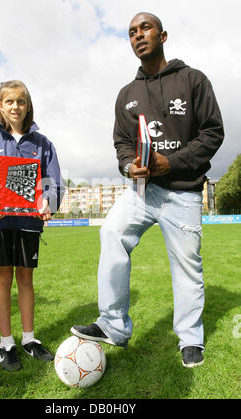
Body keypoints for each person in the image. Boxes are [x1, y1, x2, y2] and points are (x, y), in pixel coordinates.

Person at [71, 12, 224, 367]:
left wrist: (172, 163)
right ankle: (113, 325)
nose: (138, 35)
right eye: (131, 32)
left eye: (145, 28)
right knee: (111, 230)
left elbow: (213, 133)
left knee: (187, 266)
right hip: (143, 191)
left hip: (183, 192)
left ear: (163, 35)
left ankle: (190, 339)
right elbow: (122, 144)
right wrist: (129, 166)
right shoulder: (127, 94)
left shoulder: (193, 80)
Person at [0, 80, 64, 372]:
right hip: (1, 223)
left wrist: (48, 202)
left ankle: (29, 339)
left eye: (21, 101)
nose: (16, 107)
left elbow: (52, 181)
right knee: (4, 276)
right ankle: (7, 343)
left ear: (28, 105)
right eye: (9, 102)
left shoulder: (43, 144)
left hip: (29, 223)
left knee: (27, 278)